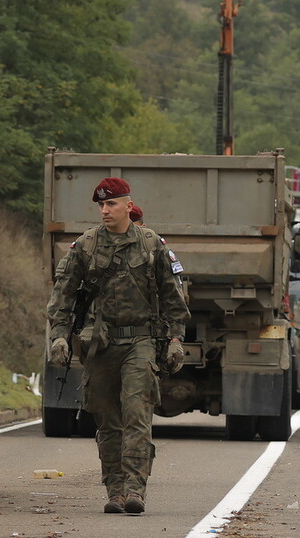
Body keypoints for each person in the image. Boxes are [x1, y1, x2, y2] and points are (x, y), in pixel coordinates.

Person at [46, 177, 190, 515]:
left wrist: (174, 340)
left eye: (111, 204)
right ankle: (114, 489)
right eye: (101, 205)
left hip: (140, 341)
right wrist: (59, 335)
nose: (105, 210)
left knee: (137, 414)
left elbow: (173, 296)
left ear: (128, 205)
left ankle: (135, 489)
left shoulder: (152, 245)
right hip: (99, 344)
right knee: (107, 420)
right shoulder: (86, 246)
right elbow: (63, 294)